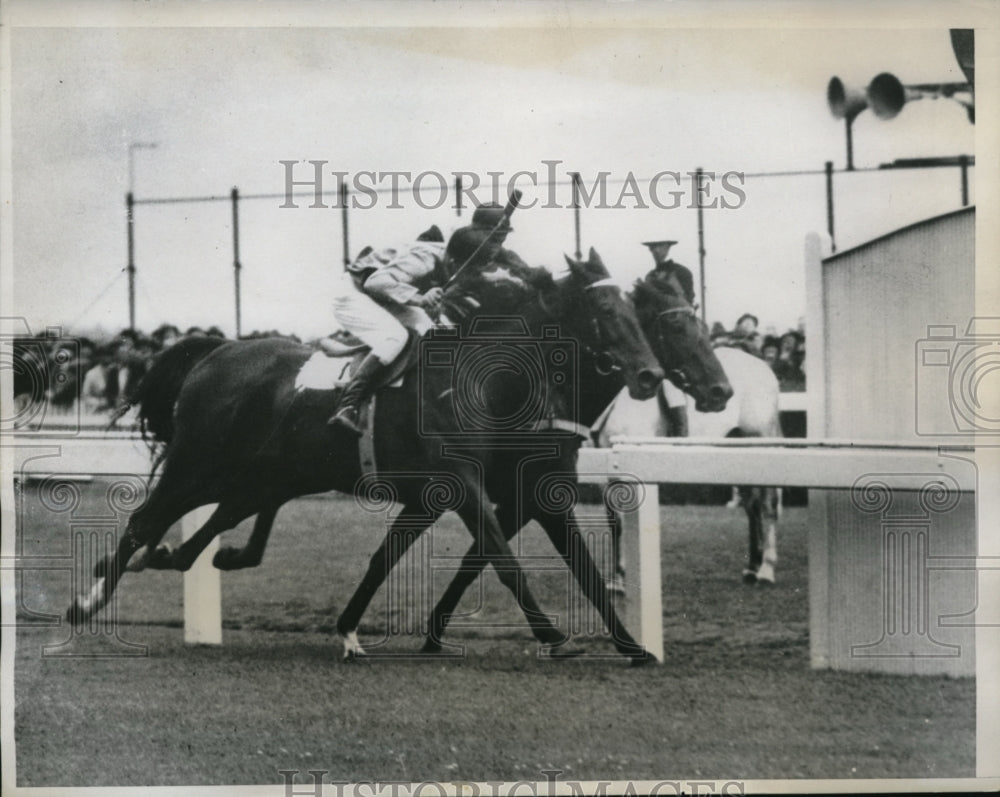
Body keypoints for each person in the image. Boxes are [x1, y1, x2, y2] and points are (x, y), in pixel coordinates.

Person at [327, 225, 449, 433]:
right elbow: (376, 285)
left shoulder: (440, 258)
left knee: (431, 329)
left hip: (376, 293)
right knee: (395, 336)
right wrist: (421, 299)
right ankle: (347, 405)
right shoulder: (426, 256)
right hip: (353, 292)